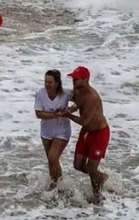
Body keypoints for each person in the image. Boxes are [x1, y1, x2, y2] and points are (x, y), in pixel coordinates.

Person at [61, 66, 110, 202]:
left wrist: (67, 114)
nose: (74, 82)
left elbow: (83, 121)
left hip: (99, 133)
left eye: (77, 79)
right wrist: (72, 108)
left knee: (91, 168)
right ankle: (101, 177)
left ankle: (97, 196)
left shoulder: (92, 97)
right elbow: (78, 104)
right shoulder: (77, 91)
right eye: (73, 79)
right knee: (77, 165)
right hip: (87, 132)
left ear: (86, 79)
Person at [35, 69, 72, 189]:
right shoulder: (40, 93)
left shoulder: (66, 94)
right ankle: (60, 183)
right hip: (46, 132)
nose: (47, 85)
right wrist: (56, 115)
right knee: (52, 160)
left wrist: (70, 110)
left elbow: (80, 101)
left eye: (50, 82)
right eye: (45, 82)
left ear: (57, 83)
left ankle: (53, 186)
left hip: (62, 131)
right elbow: (39, 114)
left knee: (52, 157)